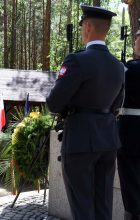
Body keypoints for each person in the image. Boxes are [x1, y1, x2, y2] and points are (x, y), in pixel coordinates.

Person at [46, 5, 124, 220]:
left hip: (80, 140)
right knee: (103, 206)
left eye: (82, 26)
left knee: (82, 208)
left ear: (87, 26)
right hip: (108, 140)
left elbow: (54, 103)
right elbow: (117, 104)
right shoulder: (118, 66)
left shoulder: (77, 60)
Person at [117, 20, 140, 220]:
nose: (135, 41)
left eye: (138, 38)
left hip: (132, 133)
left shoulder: (130, 70)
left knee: (131, 184)